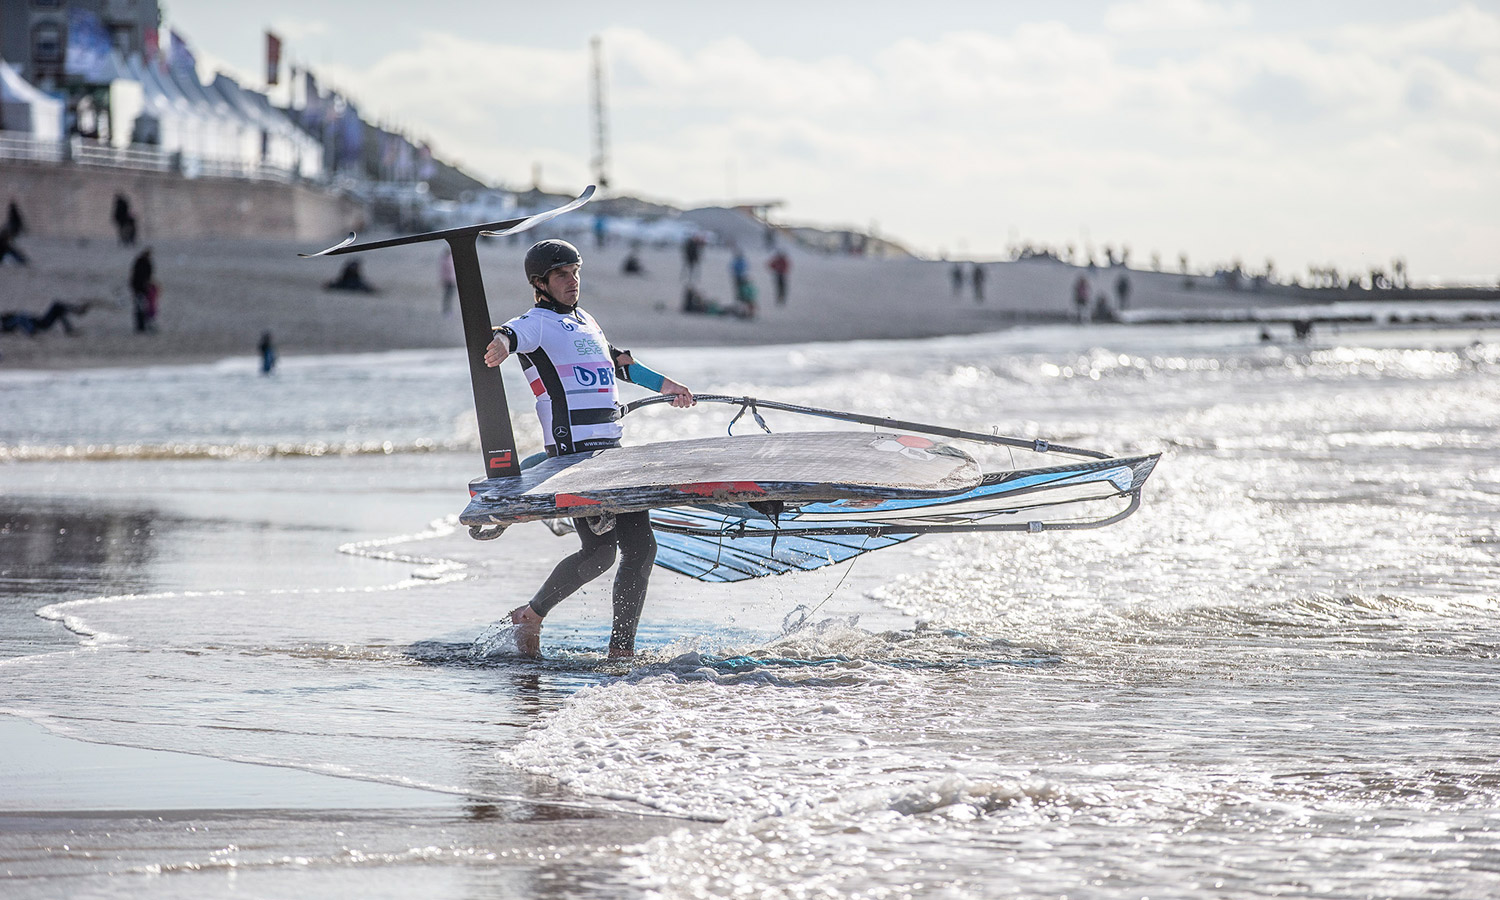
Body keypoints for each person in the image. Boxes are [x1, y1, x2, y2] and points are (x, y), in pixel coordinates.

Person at [483, 239, 695, 659]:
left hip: (612, 455)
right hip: (575, 457)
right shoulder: (537, 322)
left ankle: (620, 652)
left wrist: (669, 387)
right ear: (540, 283)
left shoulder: (586, 322)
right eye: (562, 274)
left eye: (575, 272)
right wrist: (501, 346)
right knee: (599, 553)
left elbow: (621, 363)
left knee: (641, 548)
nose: (572, 281)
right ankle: (532, 615)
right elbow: (509, 333)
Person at [1, 300, 91, 336]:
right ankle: (77, 312)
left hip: (41, 321)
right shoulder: (15, 320)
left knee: (58, 308)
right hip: (42, 324)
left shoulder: (16, 319)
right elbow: (30, 331)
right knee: (57, 306)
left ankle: (74, 316)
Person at [130, 248, 155, 332]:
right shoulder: (144, 263)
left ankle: (141, 326)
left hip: (139, 289)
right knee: (141, 307)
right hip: (140, 289)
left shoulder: (139, 262)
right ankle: (141, 326)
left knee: (140, 307)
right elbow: (145, 277)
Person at [439, 246, 457, 315]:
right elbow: (443, 272)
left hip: (451, 280)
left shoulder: (450, 259)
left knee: (450, 296)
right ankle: (446, 310)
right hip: (448, 281)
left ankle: (448, 309)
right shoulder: (445, 260)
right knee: (447, 296)